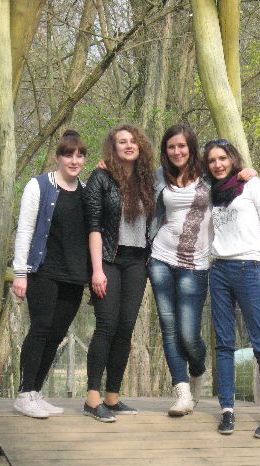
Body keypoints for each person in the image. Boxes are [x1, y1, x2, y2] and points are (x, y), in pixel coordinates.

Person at [149, 125, 258, 417]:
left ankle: (198, 370)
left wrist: (246, 173)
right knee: (169, 328)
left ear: (191, 147)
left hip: (195, 264)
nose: (177, 151)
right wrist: (108, 166)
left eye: (182, 146)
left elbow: (232, 182)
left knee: (188, 333)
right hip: (160, 258)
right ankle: (182, 393)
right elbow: (133, 184)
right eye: (171, 147)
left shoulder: (207, 175)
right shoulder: (160, 176)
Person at [203, 138, 260, 438]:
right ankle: (227, 411)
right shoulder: (210, 191)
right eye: (212, 160)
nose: (218, 164)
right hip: (219, 270)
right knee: (224, 344)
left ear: (232, 159)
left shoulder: (251, 184)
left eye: (222, 158)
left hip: (250, 268)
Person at [11, 130, 89, 419]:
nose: (74, 160)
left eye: (79, 155)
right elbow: (25, 230)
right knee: (41, 328)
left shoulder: (86, 191)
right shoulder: (39, 186)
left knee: (56, 335)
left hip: (74, 275)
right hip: (43, 271)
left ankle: (36, 392)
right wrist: (20, 273)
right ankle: (24, 393)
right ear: (58, 157)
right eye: (68, 155)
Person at [82, 124, 156, 423]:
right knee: (106, 325)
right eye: (122, 141)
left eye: (133, 141)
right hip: (108, 260)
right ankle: (92, 398)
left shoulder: (148, 180)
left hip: (137, 262)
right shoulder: (101, 178)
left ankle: (112, 397)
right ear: (112, 148)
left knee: (125, 328)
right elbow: (94, 226)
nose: (128, 145)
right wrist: (97, 270)